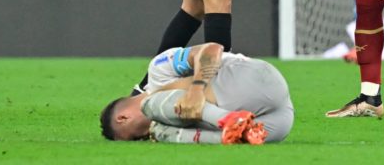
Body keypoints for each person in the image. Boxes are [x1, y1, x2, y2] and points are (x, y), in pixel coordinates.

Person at [99, 42, 294, 144]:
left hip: (249, 77)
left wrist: (196, 88)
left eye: (134, 138)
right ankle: (233, 131)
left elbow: (211, 49)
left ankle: (230, 119)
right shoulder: (164, 124)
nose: (142, 138)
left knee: (152, 104)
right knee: (164, 131)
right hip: (279, 119)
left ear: (122, 118)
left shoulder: (158, 70)